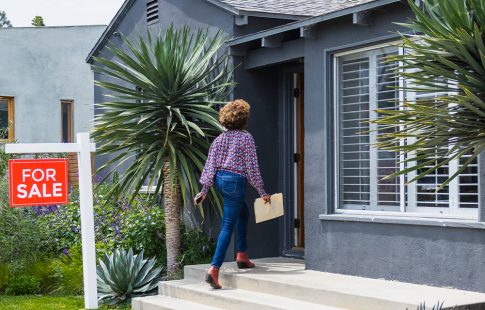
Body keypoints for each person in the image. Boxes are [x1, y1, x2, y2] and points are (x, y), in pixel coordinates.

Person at [194, 99, 271, 289]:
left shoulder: (219, 139)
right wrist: (262, 192)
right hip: (235, 183)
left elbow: (210, 165)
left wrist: (204, 190)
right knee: (228, 225)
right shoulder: (246, 138)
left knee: (243, 213)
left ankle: (242, 255)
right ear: (244, 119)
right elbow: (252, 169)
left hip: (220, 181)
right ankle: (214, 268)